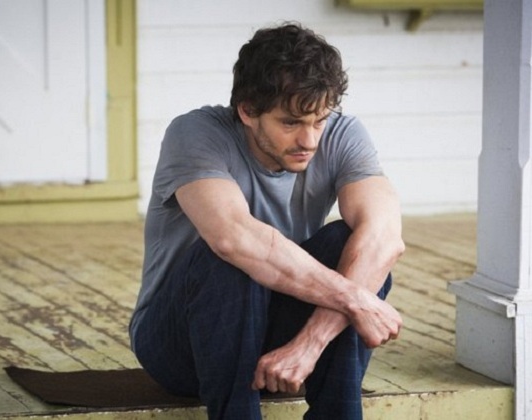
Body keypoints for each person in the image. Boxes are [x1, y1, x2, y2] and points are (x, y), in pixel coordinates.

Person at [129, 22, 404, 420]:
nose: (309, 140)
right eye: (290, 123)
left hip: (280, 338)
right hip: (179, 341)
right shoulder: (195, 134)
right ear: (248, 111)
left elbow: (384, 237)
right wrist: (355, 299)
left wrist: (309, 343)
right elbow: (233, 238)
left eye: (319, 120)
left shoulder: (343, 134)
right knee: (229, 258)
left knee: (353, 244)